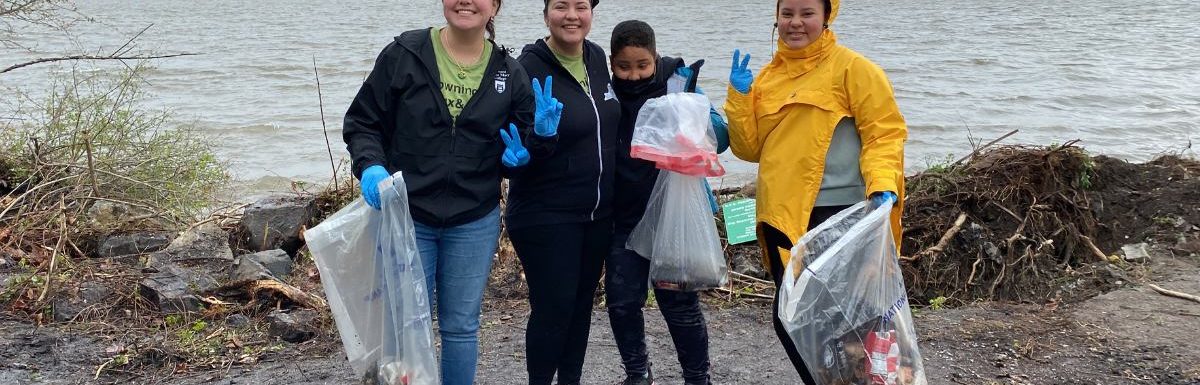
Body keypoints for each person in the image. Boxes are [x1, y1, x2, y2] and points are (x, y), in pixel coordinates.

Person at [341, 1, 561, 384]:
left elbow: (523, 149)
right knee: (405, 326)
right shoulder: (405, 53)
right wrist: (370, 165)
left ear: (494, 6)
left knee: (460, 327)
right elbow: (363, 122)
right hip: (407, 215)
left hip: (474, 219)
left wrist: (536, 143)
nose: (466, 2)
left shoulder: (510, 73)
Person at [724, 0, 907, 383]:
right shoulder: (768, 78)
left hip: (841, 215)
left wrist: (883, 185)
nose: (795, 23)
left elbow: (884, 134)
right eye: (787, 13)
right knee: (793, 320)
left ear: (826, 16)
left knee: (849, 324)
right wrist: (740, 99)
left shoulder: (854, 69)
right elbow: (749, 149)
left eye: (807, 13)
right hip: (782, 216)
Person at [606, 19, 728, 385]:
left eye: (642, 65)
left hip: (671, 218)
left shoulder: (677, 82)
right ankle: (637, 373)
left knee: (680, 306)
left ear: (655, 58)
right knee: (622, 303)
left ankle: (697, 377)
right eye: (623, 67)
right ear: (612, 63)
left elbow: (719, 137)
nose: (633, 75)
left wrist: (696, 124)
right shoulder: (604, 91)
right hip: (622, 218)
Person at [505, 0, 620, 384]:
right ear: (545, 14)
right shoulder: (526, 68)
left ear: (591, 13)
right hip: (545, 215)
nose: (572, 15)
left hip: (596, 214)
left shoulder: (597, 57)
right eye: (561, 6)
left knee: (580, 306)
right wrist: (533, 140)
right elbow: (507, 146)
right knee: (553, 309)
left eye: (581, 6)